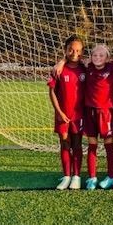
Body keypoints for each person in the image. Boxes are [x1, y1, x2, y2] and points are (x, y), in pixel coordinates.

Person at [47, 35, 86, 190]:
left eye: (77, 50)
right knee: (64, 143)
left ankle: (76, 176)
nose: (74, 52)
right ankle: (66, 176)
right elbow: (52, 92)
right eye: (70, 49)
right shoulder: (58, 70)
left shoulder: (85, 68)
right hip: (62, 114)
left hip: (79, 115)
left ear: (82, 52)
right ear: (65, 50)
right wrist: (59, 112)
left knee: (77, 144)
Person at [83, 44, 113, 191]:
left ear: (108, 58)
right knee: (92, 145)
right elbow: (69, 61)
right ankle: (92, 177)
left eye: (101, 55)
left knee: (108, 144)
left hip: (106, 112)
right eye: (95, 55)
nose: (98, 57)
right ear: (90, 57)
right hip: (89, 111)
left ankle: (111, 177)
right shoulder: (87, 67)